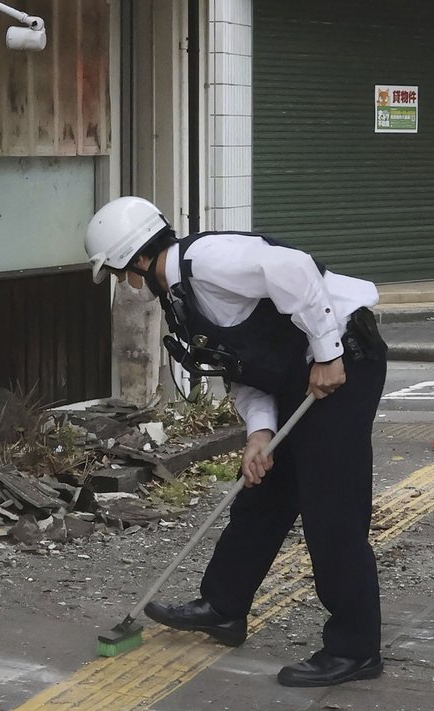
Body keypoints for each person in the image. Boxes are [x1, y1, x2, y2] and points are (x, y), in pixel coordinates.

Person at [83, 196, 388, 687]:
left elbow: (293, 267)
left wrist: (329, 353)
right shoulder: (182, 296)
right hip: (296, 375)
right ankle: (223, 607)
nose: (126, 283)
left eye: (121, 272)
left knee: (332, 506)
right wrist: (259, 433)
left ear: (137, 258)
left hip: (345, 363)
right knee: (263, 492)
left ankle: (356, 649)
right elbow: (243, 365)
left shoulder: (206, 261)